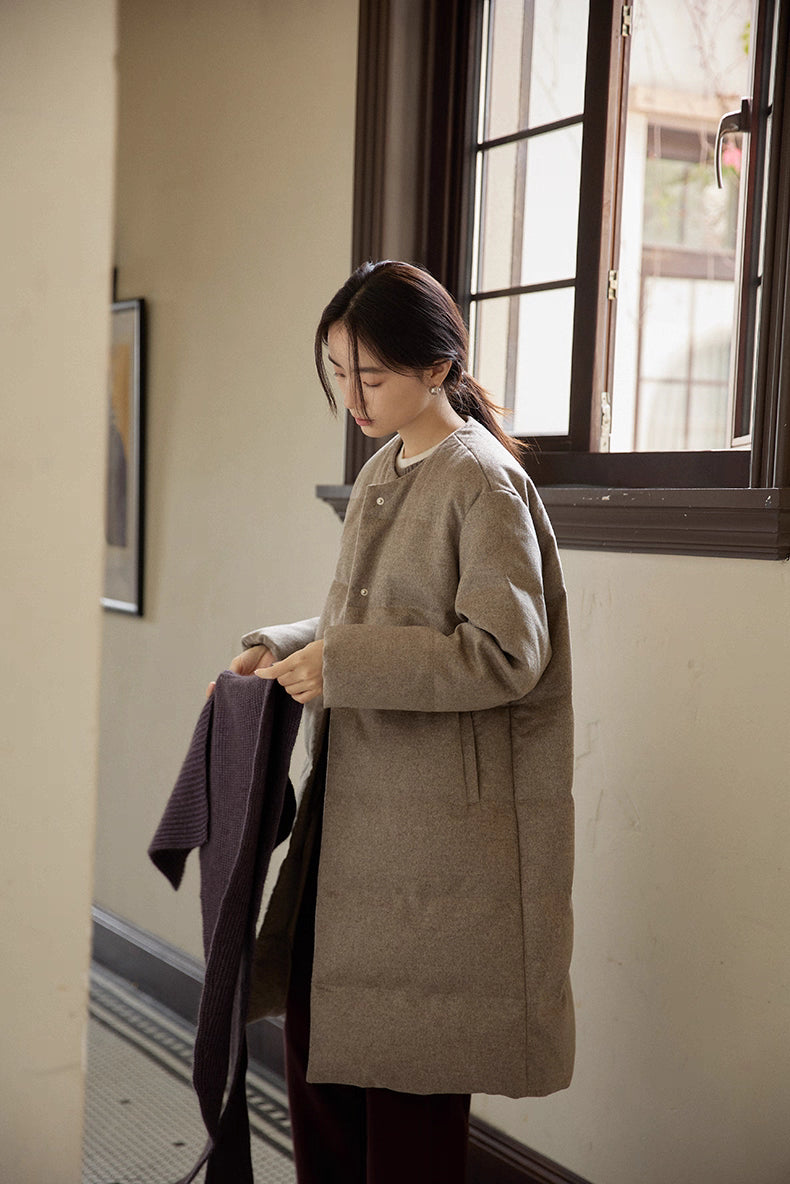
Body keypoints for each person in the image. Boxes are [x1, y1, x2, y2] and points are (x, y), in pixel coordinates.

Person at [211, 260, 575, 1184]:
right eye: (339, 372)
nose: (353, 395)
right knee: (323, 1066)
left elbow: (504, 652)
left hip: (436, 841)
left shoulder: (480, 482)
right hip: (362, 819)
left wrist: (340, 663)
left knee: (411, 1091)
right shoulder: (389, 466)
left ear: (438, 364)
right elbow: (362, 627)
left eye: (371, 375)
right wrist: (282, 646)